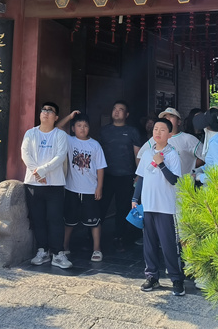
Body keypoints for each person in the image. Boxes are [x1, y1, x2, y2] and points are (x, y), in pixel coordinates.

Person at [133, 117, 185, 296]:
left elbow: (174, 180)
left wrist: (161, 164)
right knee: (149, 244)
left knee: (169, 245)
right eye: (156, 129)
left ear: (169, 134)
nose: (158, 132)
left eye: (162, 130)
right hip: (149, 205)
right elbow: (141, 177)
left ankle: (176, 279)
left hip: (166, 207)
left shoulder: (173, 154)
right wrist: (135, 198)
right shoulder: (147, 153)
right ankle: (152, 277)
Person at [21, 101, 72, 269]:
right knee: (38, 218)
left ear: (56, 117)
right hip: (33, 184)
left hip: (55, 184)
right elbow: (25, 154)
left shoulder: (60, 135)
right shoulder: (30, 133)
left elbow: (60, 156)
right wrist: (37, 173)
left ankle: (58, 254)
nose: (46, 112)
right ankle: (42, 251)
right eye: (44, 110)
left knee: (55, 219)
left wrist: (42, 171)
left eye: (50, 111)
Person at [62, 113, 107, 262]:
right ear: (73, 128)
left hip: (90, 189)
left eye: (85, 126)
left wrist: (99, 187)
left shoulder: (95, 145)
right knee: (69, 220)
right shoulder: (69, 140)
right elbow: (57, 128)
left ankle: (97, 249)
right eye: (79, 125)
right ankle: (64, 246)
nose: (82, 128)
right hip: (72, 188)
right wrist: (69, 117)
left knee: (94, 221)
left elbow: (100, 167)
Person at [98, 100, 142, 250]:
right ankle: (93, 237)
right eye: (114, 109)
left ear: (127, 114)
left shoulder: (132, 131)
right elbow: (97, 153)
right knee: (101, 206)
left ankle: (119, 237)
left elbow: (137, 155)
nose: (116, 111)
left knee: (122, 208)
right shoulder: (104, 131)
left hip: (126, 176)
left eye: (121, 109)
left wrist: (138, 174)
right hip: (106, 175)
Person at [138, 107, 203, 177]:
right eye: (165, 117)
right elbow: (140, 156)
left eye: (171, 116)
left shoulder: (188, 139)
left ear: (179, 122)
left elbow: (205, 156)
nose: (168, 119)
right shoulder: (155, 139)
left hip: (183, 182)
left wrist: (191, 165)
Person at [191, 108, 218, 184]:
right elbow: (213, 164)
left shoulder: (215, 144)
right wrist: (200, 169)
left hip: (216, 188)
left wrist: (200, 177)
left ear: (208, 127)